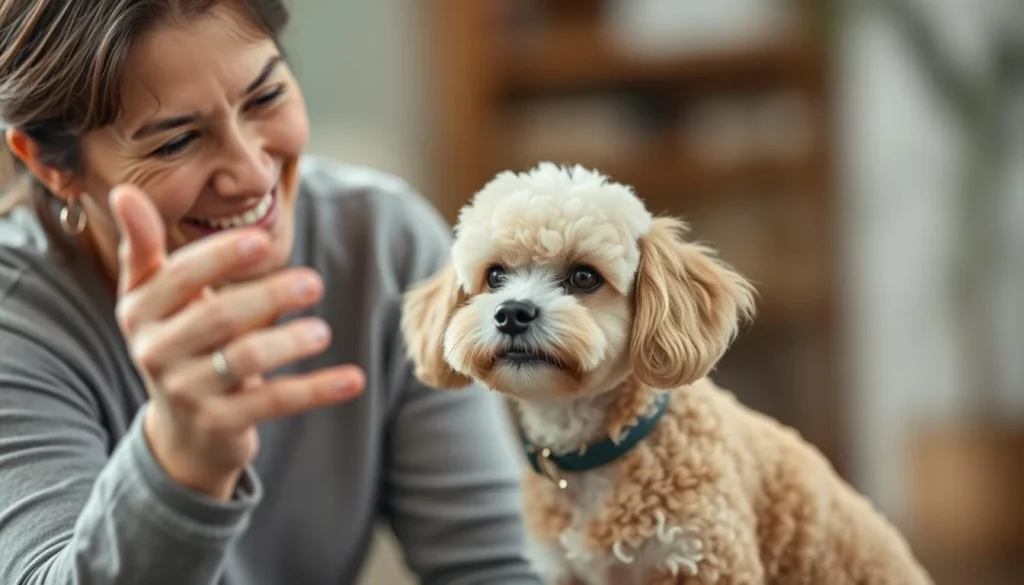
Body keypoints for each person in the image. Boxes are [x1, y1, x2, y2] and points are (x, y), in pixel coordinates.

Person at [0, 1, 541, 584]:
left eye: (265, 97)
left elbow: (493, 568)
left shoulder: (382, 244)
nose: (253, 174)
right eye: (176, 142)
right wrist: (182, 461)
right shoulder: (17, 320)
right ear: (52, 166)